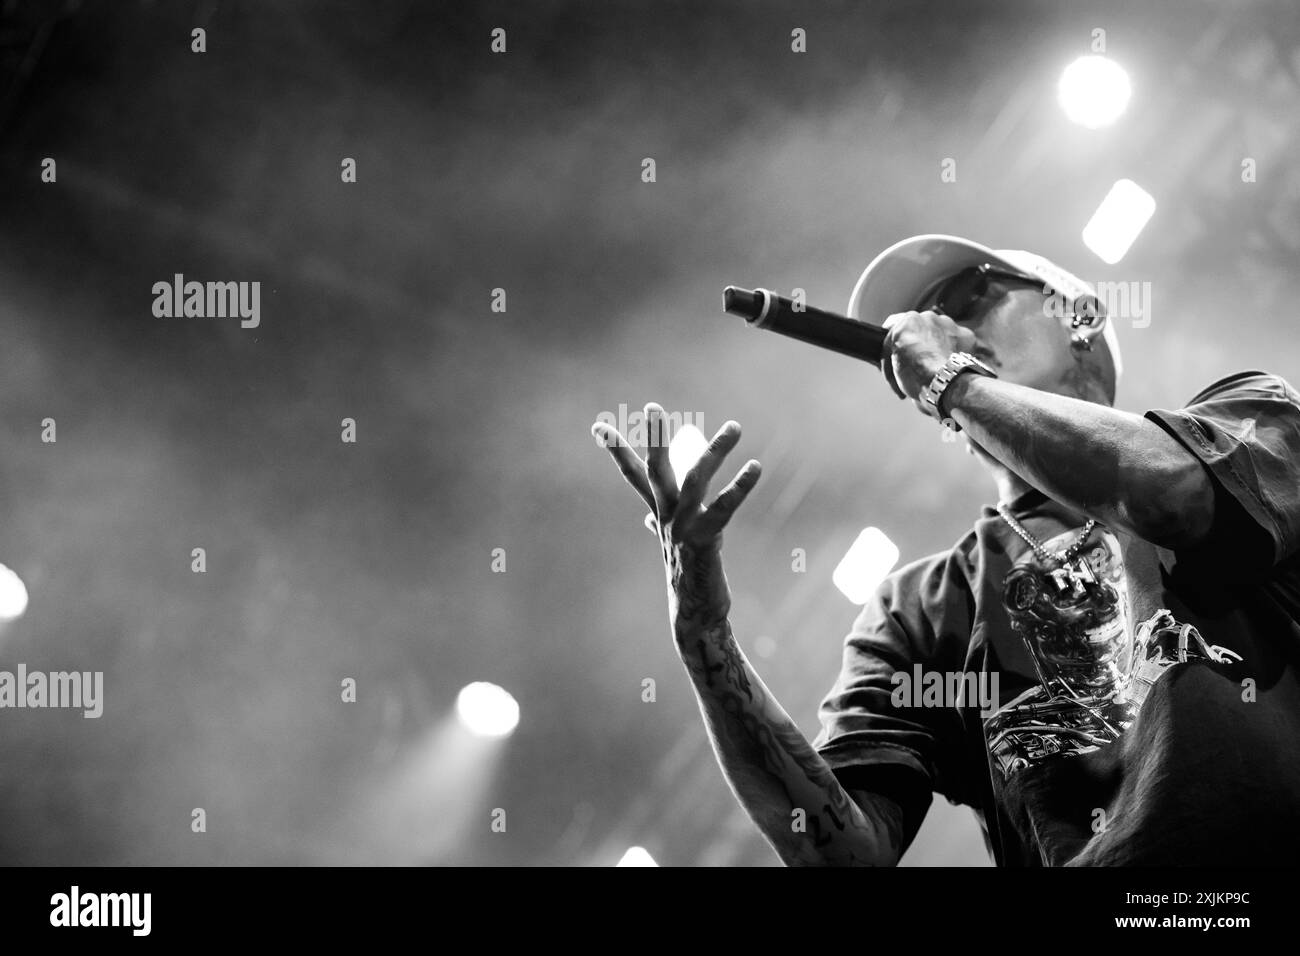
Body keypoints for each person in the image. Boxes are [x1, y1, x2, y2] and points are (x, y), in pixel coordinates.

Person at [590, 234, 1300, 866]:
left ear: (1080, 313)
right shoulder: (923, 605)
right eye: (928, 336)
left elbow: (1173, 495)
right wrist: (705, 641)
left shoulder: (1247, 414)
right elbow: (840, 849)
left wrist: (950, 377)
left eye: (973, 294)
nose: (949, 330)